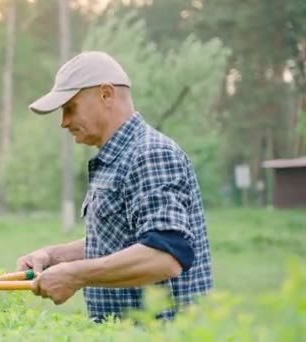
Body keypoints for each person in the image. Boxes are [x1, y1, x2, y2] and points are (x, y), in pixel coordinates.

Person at [17, 51, 213, 322]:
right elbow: (122, 240)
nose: (64, 122)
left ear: (106, 95)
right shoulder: (118, 158)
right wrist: (55, 256)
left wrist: (76, 275)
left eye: (70, 107)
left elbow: (164, 256)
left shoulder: (150, 153)